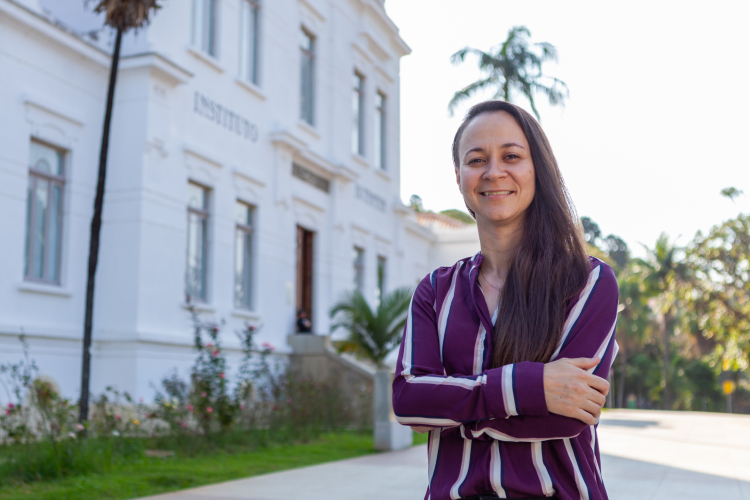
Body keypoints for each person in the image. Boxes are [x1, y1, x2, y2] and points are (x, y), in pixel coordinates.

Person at [392, 100, 618, 500]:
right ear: (459, 177)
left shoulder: (587, 281)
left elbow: (568, 418)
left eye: (511, 156)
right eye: (476, 159)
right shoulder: (434, 291)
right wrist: (533, 386)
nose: (494, 172)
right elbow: (409, 400)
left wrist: (452, 406)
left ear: (537, 169)